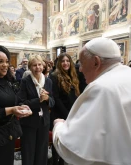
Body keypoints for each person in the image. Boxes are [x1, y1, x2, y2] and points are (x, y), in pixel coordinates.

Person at [52, 37, 131, 165]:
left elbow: (72, 149)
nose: (80, 69)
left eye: (82, 63)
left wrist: (58, 125)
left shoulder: (101, 87)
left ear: (96, 62)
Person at [17, 55, 55, 165]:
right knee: (28, 152)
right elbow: (21, 102)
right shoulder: (25, 81)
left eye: (39, 64)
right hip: (29, 122)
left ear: (43, 66)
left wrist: (47, 99)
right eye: (34, 65)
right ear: (30, 67)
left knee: (42, 152)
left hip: (44, 122)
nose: (37, 67)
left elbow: (53, 101)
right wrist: (38, 100)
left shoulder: (48, 81)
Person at [49, 53, 80, 165]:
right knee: (57, 140)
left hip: (71, 112)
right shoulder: (54, 76)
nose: (65, 63)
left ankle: (63, 162)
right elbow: (56, 98)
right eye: (63, 61)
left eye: (67, 61)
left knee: (66, 140)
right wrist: (67, 114)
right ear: (59, 63)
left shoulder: (73, 75)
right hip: (59, 113)